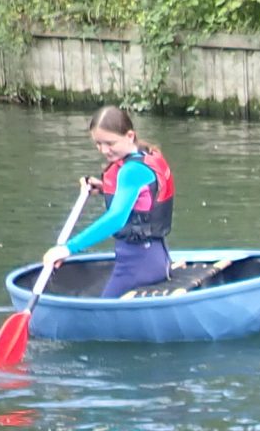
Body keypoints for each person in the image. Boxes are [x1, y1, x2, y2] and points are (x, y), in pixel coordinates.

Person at [41, 106, 174, 298]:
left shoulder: (131, 170)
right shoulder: (146, 155)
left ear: (129, 136)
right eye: (98, 143)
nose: (104, 150)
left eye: (110, 143)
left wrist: (68, 248)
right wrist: (104, 187)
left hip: (138, 264)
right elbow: (143, 197)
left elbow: (116, 218)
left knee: (101, 308)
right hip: (155, 257)